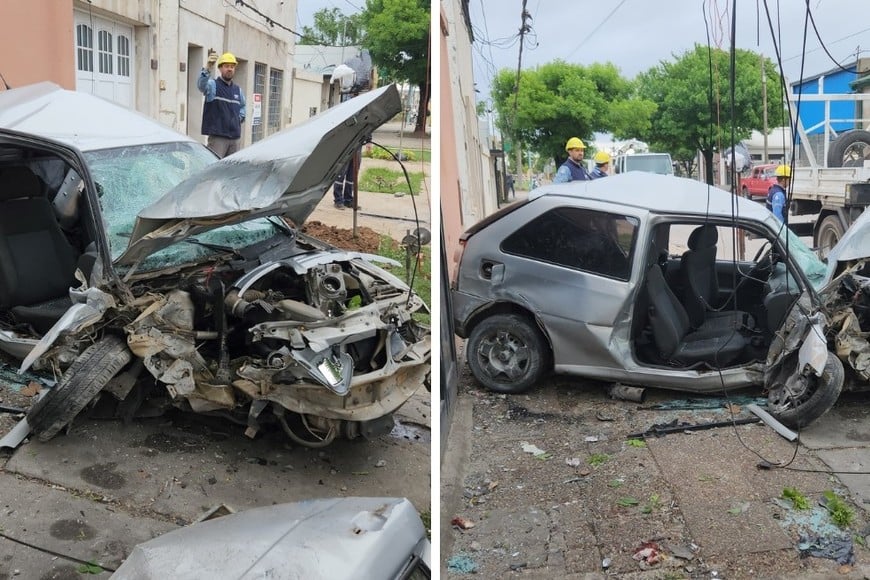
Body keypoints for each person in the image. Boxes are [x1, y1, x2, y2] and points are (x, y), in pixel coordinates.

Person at [197, 51, 246, 158]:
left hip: (234, 139)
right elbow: (201, 86)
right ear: (220, 68)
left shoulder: (238, 90)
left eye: (232, 66)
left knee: (232, 170)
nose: (230, 69)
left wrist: (240, 118)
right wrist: (208, 68)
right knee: (214, 167)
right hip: (218, 138)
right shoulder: (213, 85)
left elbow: (243, 106)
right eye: (226, 66)